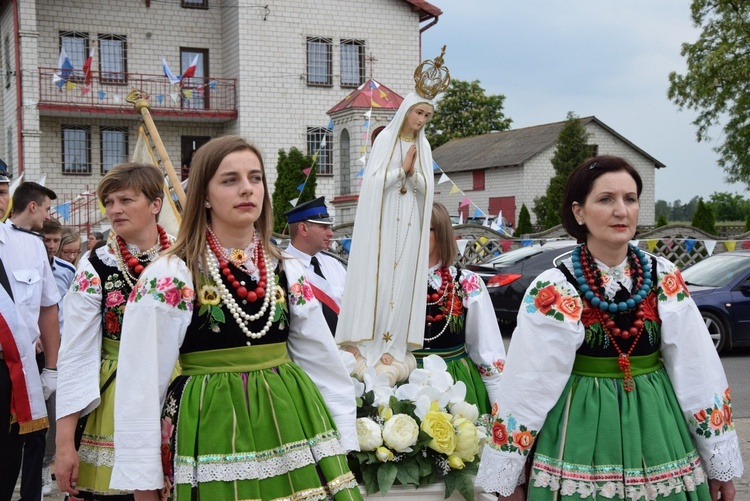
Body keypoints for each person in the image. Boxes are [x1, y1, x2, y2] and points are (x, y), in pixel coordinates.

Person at [476, 156, 744, 500]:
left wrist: (716, 458)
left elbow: (697, 368)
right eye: (606, 199)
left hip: (659, 424)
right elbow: (528, 383)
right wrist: (510, 473)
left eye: (630, 199)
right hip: (580, 426)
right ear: (579, 212)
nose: (622, 211)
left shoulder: (663, 275)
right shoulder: (555, 288)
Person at [110, 136, 361, 500]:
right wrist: (144, 483)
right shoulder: (171, 274)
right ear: (205, 195)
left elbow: (322, 361)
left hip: (291, 421)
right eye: (230, 180)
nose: (247, 189)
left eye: (255, 178)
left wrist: (341, 437)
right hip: (210, 424)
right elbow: (142, 384)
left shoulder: (285, 269)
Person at [55, 163, 172, 500]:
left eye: (125, 200)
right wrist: (64, 445)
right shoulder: (95, 265)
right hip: (116, 396)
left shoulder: (184, 258)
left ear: (155, 203)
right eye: (109, 201)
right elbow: (76, 353)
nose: (115, 210)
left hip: (178, 391)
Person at [336, 49, 450, 385]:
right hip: (383, 224)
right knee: (382, 277)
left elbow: (426, 188)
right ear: (406, 111)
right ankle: (369, 343)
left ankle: (393, 344)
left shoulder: (425, 146)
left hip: (410, 224)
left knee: (401, 284)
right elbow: (371, 184)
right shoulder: (386, 139)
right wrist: (401, 172)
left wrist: (413, 176)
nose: (422, 121)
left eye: (428, 116)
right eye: (419, 113)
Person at [410, 202, 505, 416]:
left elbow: (486, 350)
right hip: (406, 379)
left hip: (455, 383)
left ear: (441, 233)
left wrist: (500, 405)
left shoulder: (466, 283)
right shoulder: (393, 284)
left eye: (424, 228)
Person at [0, 172, 61, 501]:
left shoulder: (30, 246)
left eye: (2, 191)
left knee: (10, 462)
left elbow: (48, 308)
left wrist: (50, 367)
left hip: (14, 371)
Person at [41, 218, 76, 495]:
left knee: (55, 411)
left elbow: (73, 309)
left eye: (55, 241)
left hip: (61, 348)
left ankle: (44, 464)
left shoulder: (68, 270)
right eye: (47, 240)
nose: (51, 246)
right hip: (31, 347)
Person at [284, 196, 346, 335]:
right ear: (303, 229)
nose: (330, 233)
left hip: (342, 349)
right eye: (323, 227)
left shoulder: (334, 264)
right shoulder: (282, 267)